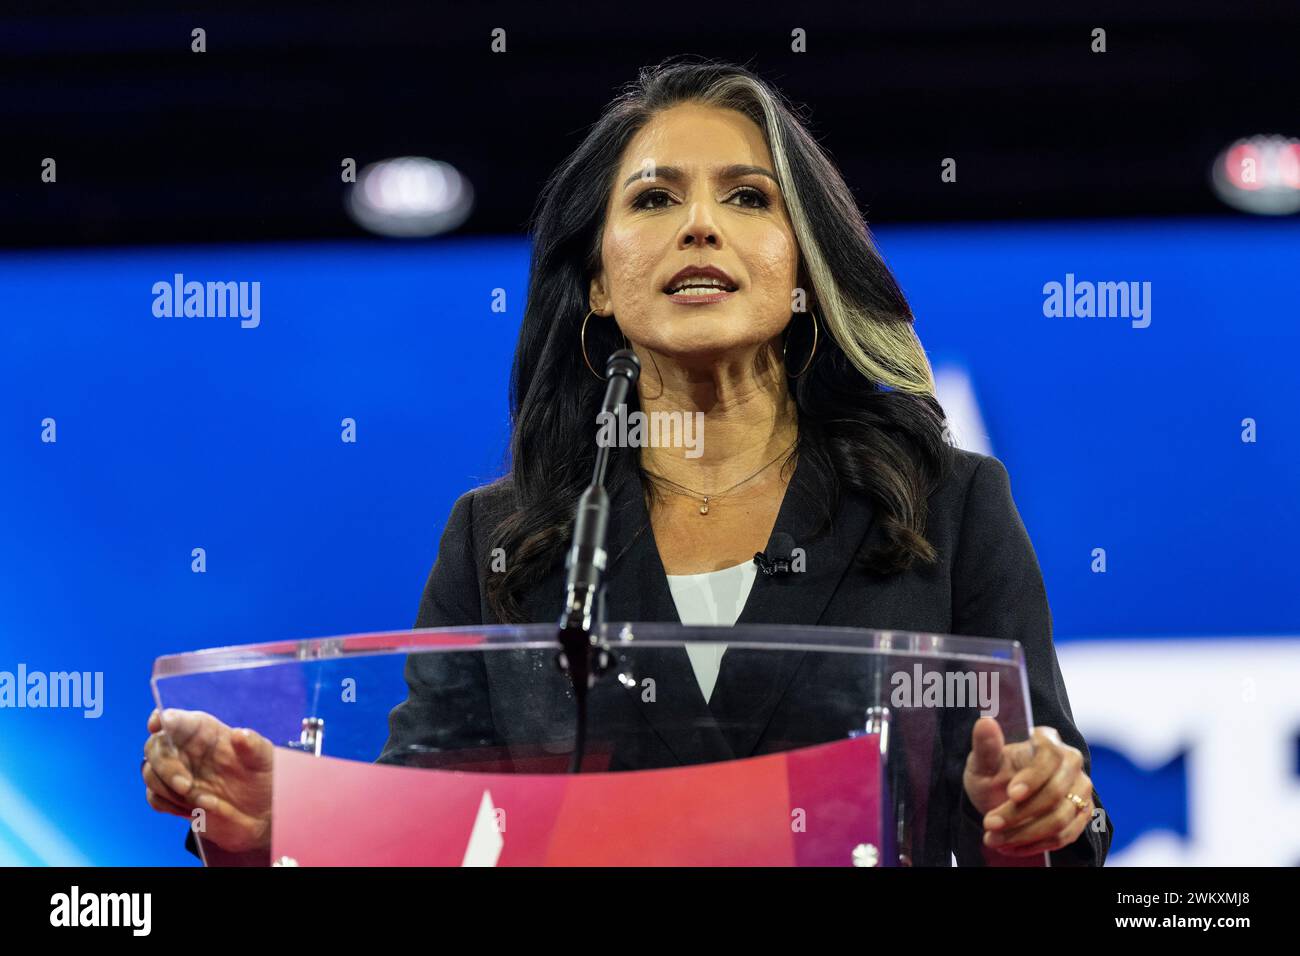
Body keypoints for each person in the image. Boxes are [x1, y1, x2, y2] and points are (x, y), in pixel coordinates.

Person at [143, 56, 1111, 866]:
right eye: (654, 197)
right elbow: (426, 833)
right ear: (600, 281)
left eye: (746, 196)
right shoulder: (501, 544)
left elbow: (1058, 817)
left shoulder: (945, 507)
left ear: (804, 271)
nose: (700, 224)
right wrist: (280, 820)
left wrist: (1037, 816)